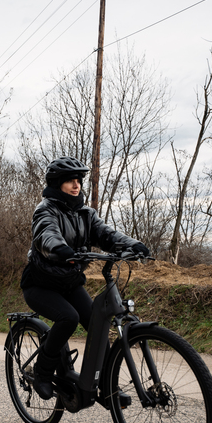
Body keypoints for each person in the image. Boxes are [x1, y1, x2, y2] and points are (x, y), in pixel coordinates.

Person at [21, 156, 149, 400]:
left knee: (97, 324)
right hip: (40, 285)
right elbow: (46, 234)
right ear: (57, 184)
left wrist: (133, 245)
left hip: (69, 282)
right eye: (70, 180)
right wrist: (58, 249)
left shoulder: (86, 214)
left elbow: (106, 234)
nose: (76, 185)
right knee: (68, 318)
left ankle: (107, 387)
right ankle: (43, 371)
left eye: (78, 180)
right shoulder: (45, 210)